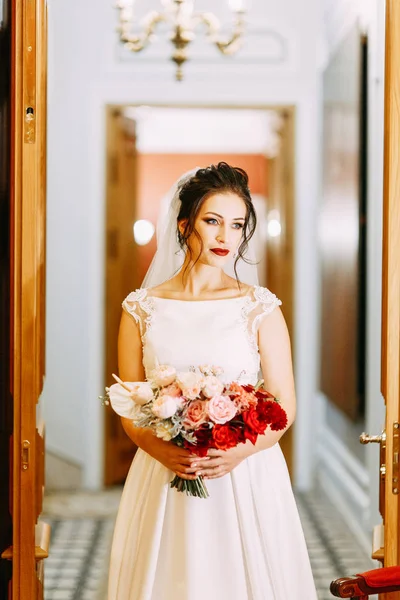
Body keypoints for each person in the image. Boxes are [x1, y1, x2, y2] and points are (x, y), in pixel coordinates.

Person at [107, 162, 317, 600]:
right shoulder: (140, 308)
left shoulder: (260, 307)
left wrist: (238, 453)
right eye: (212, 221)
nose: (226, 237)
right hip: (165, 470)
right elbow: (128, 402)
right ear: (185, 225)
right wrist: (163, 451)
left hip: (245, 473)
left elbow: (284, 403)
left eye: (237, 225)